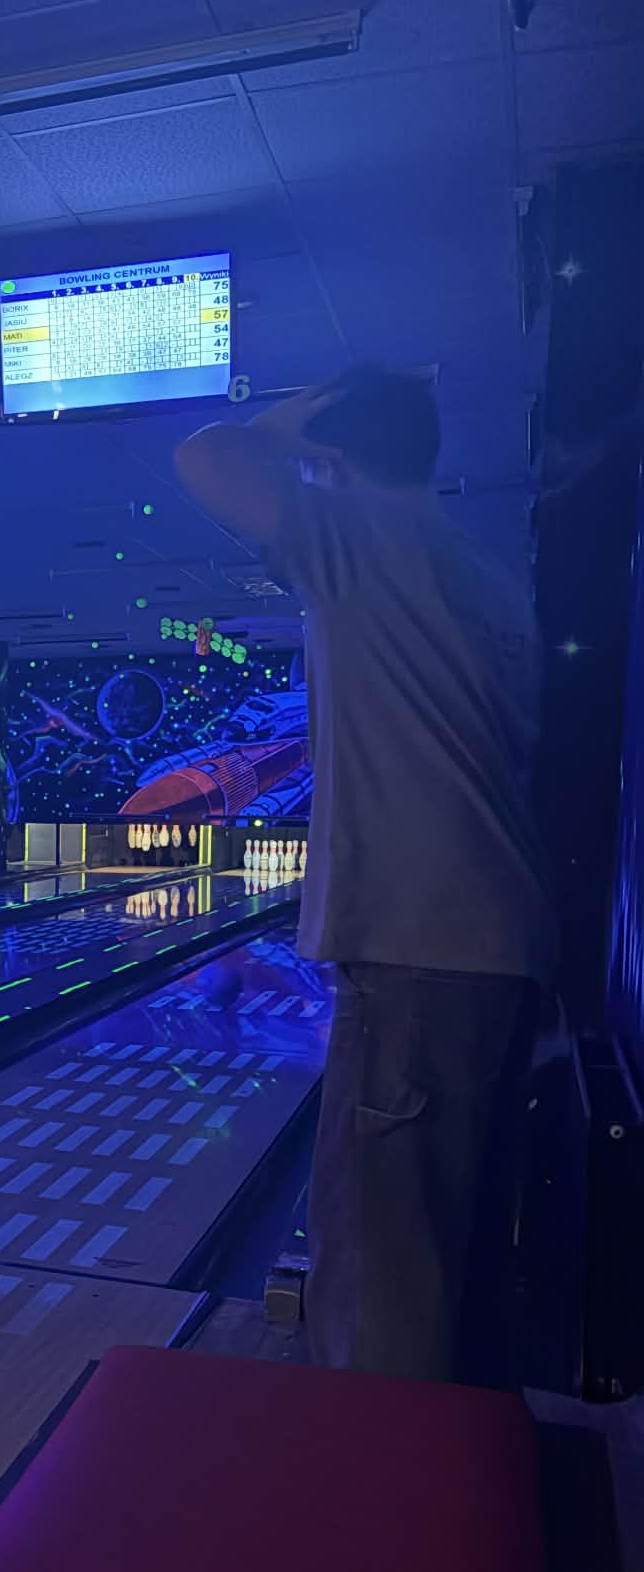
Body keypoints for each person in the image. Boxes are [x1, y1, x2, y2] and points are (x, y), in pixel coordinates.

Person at [174, 367, 554, 1383]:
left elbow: (206, 457)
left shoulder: (367, 540)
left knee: (381, 1263)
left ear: (328, 463)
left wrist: (290, 419)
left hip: (416, 944)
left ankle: (374, 1462)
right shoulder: (486, 574)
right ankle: (451, 1463)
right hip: (498, 944)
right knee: (455, 1256)